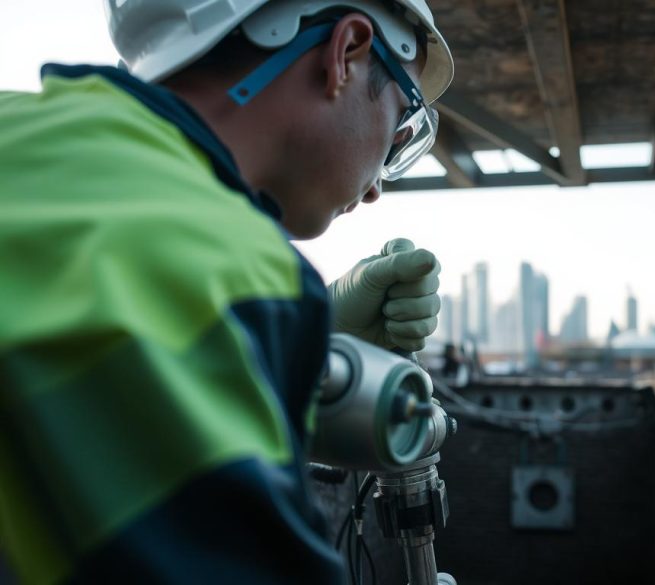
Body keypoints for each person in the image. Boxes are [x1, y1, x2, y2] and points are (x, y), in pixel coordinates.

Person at [0, 0, 454, 582]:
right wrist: (267, 313)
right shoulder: (221, 261)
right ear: (347, 51)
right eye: (399, 126)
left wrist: (303, 346)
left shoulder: (26, 134)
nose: (374, 192)